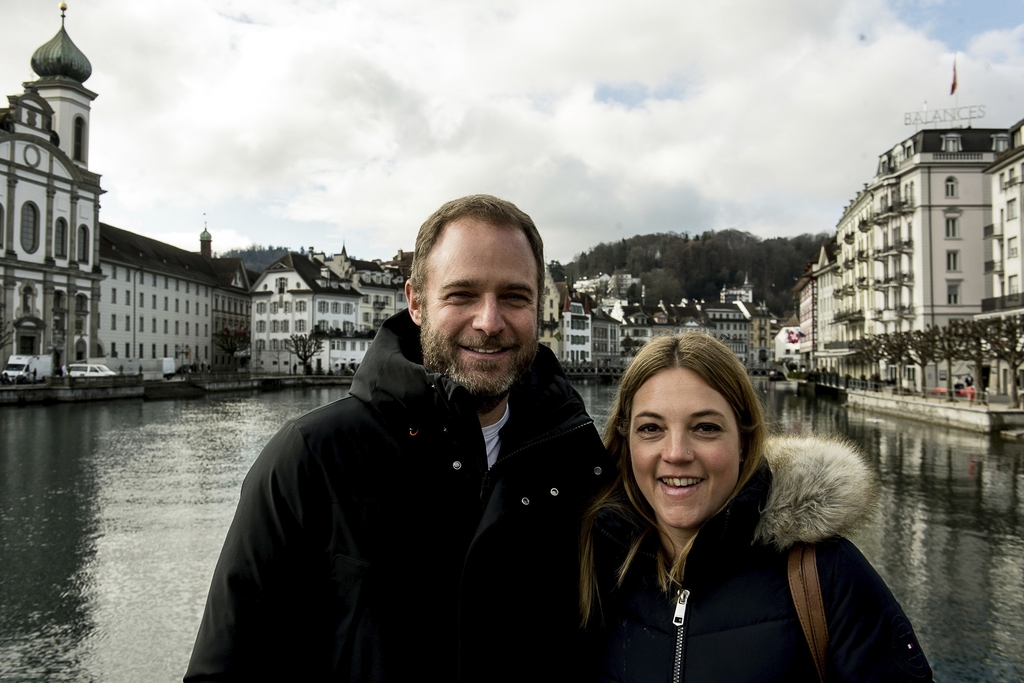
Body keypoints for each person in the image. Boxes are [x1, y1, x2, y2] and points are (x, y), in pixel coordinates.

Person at [185, 195, 611, 682]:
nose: (489, 321)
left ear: (538, 306)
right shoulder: (311, 458)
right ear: (415, 302)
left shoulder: (577, 459)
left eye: (514, 297)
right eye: (461, 295)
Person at [580, 333, 932, 682]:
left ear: (746, 443)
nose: (675, 453)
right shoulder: (593, 564)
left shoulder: (828, 576)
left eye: (705, 428)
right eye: (651, 428)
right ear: (627, 443)